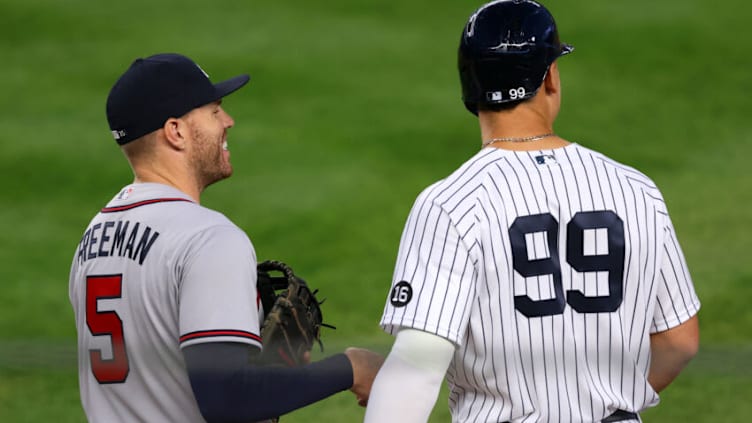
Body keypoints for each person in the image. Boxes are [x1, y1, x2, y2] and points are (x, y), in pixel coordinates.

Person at [363, 1, 700, 422]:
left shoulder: (453, 203)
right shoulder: (636, 189)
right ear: (551, 79)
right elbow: (680, 342)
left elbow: (417, 368)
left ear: (470, 89)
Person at [68, 53, 383, 423]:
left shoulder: (92, 240)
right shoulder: (208, 238)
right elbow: (227, 398)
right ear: (176, 131)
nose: (228, 122)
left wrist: (268, 379)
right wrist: (351, 369)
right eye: (215, 111)